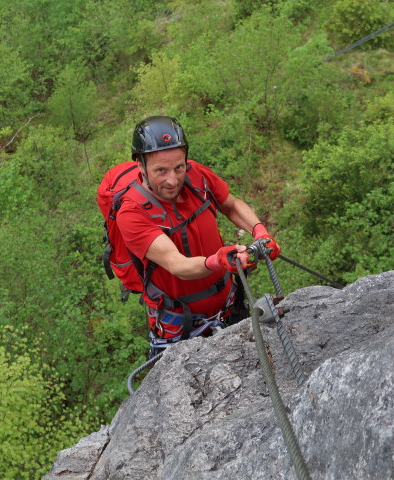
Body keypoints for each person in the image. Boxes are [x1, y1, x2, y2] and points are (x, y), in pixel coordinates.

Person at [116, 115, 280, 357]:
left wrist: (260, 231)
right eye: (160, 170)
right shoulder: (132, 212)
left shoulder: (197, 177)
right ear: (140, 166)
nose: (172, 180)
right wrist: (218, 260)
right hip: (180, 327)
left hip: (229, 306)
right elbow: (177, 263)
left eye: (178, 167)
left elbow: (231, 205)